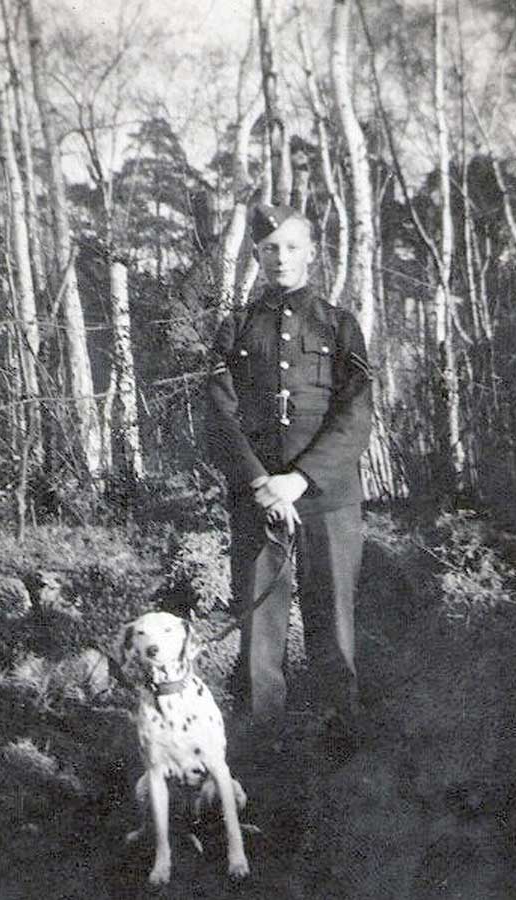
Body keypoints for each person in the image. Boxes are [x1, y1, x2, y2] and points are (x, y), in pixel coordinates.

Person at [206, 203, 372, 748]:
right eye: (270, 247)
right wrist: (259, 483)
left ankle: (340, 743)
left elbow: (354, 413)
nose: (281, 257)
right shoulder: (235, 328)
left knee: (333, 620)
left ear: (311, 254)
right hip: (257, 499)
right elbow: (219, 413)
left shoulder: (339, 325)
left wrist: (299, 480)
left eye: (292, 246)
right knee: (260, 626)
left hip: (327, 496)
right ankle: (263, 746)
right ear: (256, 254)